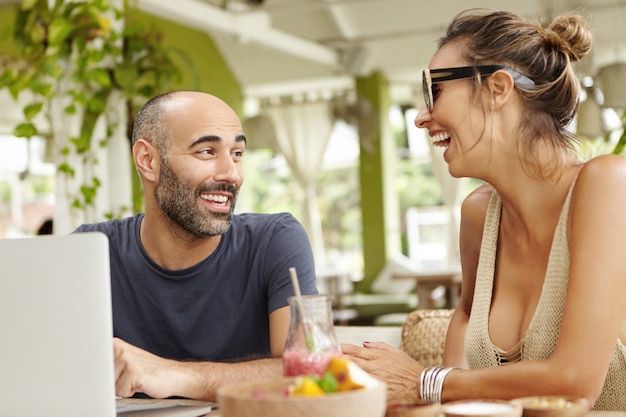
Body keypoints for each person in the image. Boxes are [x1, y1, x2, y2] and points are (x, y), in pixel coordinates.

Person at [342, 9, 626, 410]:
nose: (423, 117)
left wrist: (425, 381)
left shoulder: (606, 184)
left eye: (434, 91)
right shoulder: (478, 215)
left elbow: (576, 380)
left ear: (497, 88)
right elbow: (464, 336)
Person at [74, 90, 318, 401]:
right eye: (206, 151)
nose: (232, 174)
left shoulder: (275, 240)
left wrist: (172, 375)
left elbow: (305, 376)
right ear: (148, 160)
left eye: (237, 153)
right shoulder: (91, 252)